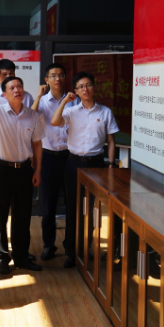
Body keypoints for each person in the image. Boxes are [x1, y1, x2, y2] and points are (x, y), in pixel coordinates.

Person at [50, 72, 120, 269]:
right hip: (74, 163)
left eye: (88, 85)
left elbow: (111, 141)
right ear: (76, 91)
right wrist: (64, 101)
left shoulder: (105, 112)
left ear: (94, 87)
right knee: (73, 208)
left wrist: (111, 164)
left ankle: (85, 247)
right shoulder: (71, 111)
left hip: (96, 164)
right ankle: (72, 251)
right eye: (81, 86)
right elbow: (54, 122)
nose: (85, 89)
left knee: (91, 209)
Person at [0, 76, 45, 274]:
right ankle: (2, 257)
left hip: (24, 170)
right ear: (4, 94)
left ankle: (21, 256)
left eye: (19, 86)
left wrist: (37, 169)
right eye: (11, 88)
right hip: (1, 170)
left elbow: (37, 143)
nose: (16, 90)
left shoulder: (33, 115)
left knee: (23, 215)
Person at [33, 64, 70, 261]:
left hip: (70, 156)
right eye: (53, 75)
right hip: (48, 156)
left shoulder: (73, 100)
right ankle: (49, 245)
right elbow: (30, 118)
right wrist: (38, 96)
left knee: (72, 203)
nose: (58, 78)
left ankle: (71, 245)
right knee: (49, 204)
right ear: (46, 80)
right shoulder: (42, 102)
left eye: (61, 75)